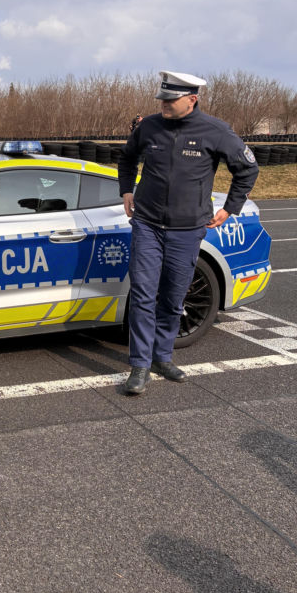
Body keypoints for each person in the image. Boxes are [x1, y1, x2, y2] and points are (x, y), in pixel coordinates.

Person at [118, 70, 259, 394]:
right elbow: (127, 159)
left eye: (171, 100)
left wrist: (230, 208)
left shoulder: (215, 131)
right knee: (142, 294)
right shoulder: (149, 126)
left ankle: (162, 357)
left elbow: (247, 168)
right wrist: (127, 189)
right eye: (162, 99)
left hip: (188, 229)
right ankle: (140, 366)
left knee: (173, 296)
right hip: (148, 224)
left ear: (191, 100)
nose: (164, 104)